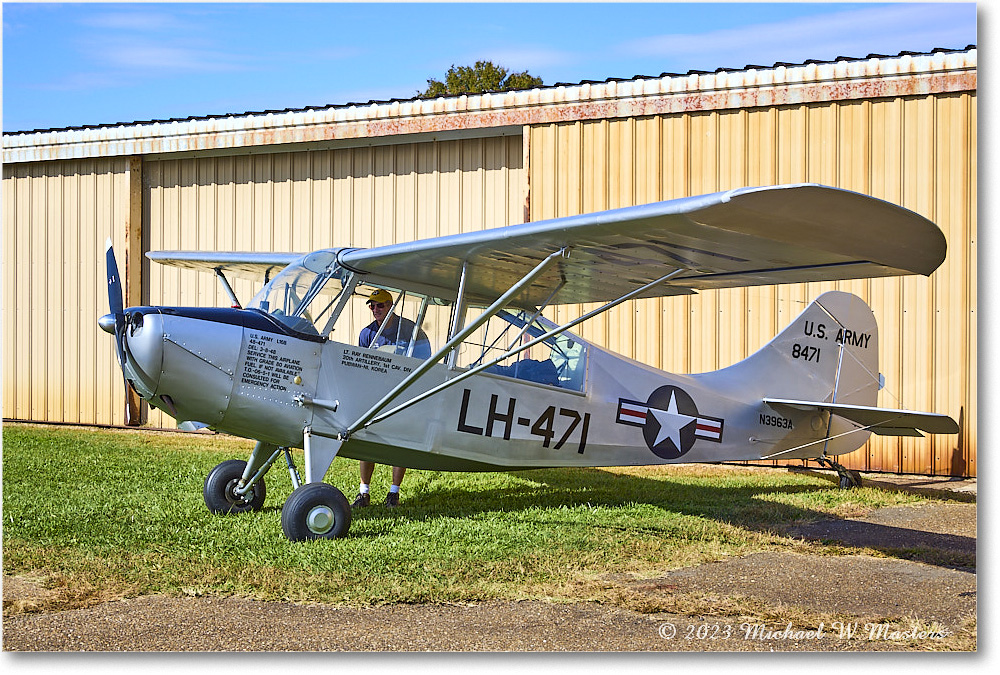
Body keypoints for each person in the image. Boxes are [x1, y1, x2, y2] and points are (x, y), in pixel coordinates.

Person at [352, 289, 431, 508]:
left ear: (391, 306)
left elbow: (424, 361)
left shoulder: (411, 332)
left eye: (380, 305)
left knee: (398, 440)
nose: (375, 310)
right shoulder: (366, 333)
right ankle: (364, 492)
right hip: (374, 395)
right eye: (372, 306)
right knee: (367, 441)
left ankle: (393, 493)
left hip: (400, 394)